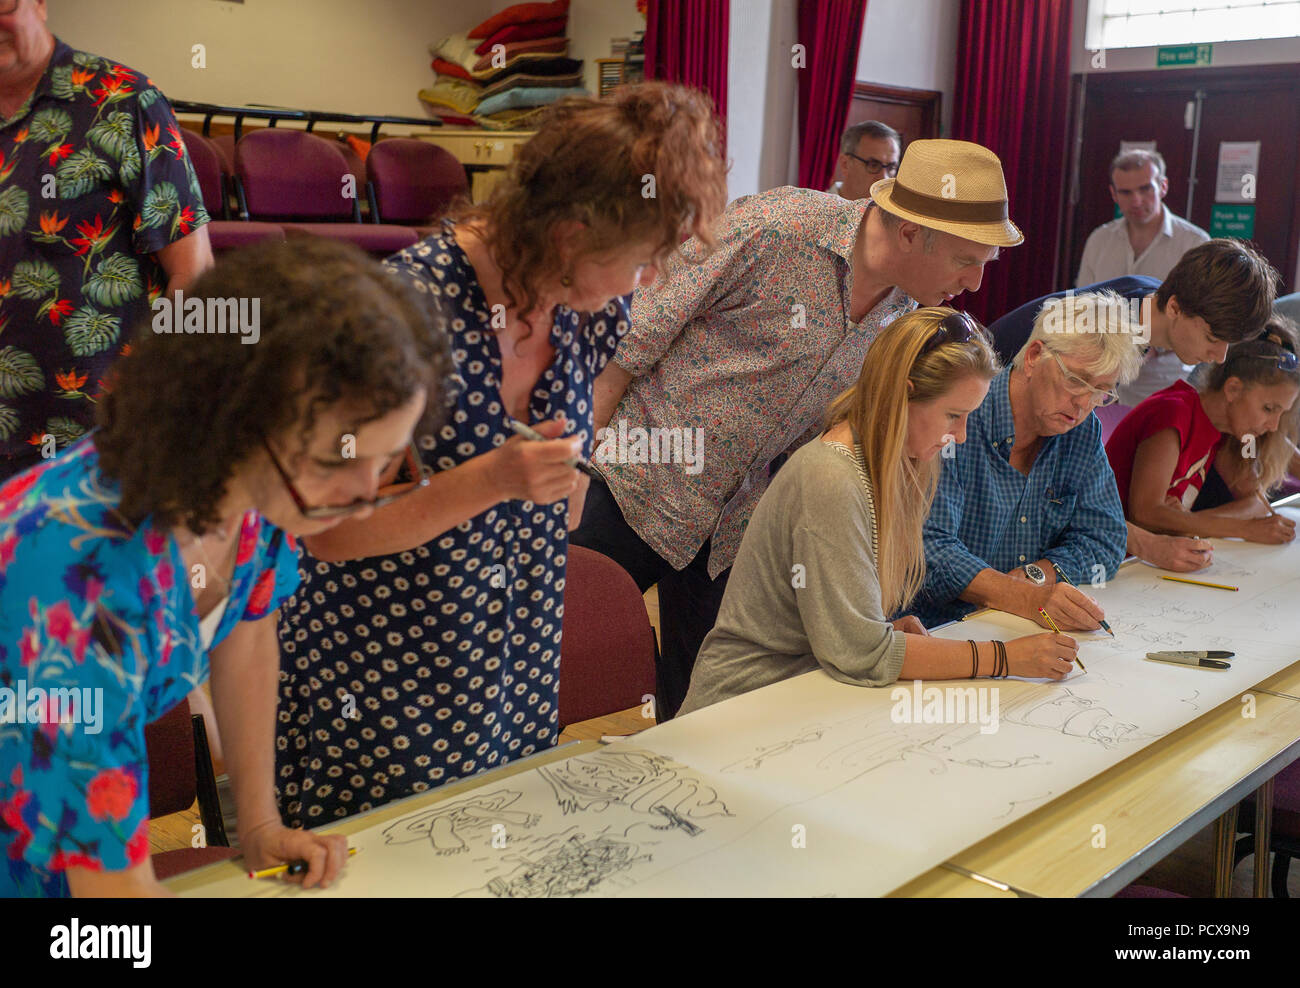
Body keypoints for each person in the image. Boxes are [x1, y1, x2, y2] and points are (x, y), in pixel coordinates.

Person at [274, 82, 729, 827]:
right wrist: (491, 481)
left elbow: (566, 457)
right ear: (572, 235)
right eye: (645, 260)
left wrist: (568, 484)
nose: (653, 282)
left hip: (513, 660)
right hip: (383, 670)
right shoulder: (403, 313)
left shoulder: (591, 310)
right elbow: (325, 531)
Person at [0, 237, 448, 896]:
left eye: (383, 463)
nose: (362, 498)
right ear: (233, 418)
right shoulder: (73, 580)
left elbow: (247, 630)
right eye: (336, 463)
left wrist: (260, 823)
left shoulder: (249, 490)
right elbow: (110, 906)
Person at [577, 138, 1022, 719]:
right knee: (555, 658)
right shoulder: (777, 229)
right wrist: (575, 461)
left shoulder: (906, 316)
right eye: (967, 261)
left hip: (735, 530)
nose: (974, 284)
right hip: (635, 485)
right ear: (912, 231)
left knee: (702, 718)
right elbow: (635, 335)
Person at [680, 308, 1079, 715]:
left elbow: (852, 639)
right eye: (953, 416)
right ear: (902, 395)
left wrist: (873, 630)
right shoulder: (830, 478)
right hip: (742, 708)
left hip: (808, 694)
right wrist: (1005, 658)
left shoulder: (887, 463)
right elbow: (862, 656)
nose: (959, 435)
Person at [0, 0, 213, 481]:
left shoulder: (123, 100)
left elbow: (194, 273)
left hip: (97, 440)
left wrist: (161, 400)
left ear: (38, 3)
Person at [913, 291, 1144, 631]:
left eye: (1101, 392)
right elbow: (927, 549)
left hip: (1019, 625)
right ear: (1035, 355)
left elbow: (1105, 538)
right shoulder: (963, 414)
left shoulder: (1080, 431)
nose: (1083, 404)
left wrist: (1037, 575)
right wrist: (1022, 597)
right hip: (933, 629)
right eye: (1076, 381)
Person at [992, 238, 1276, 407]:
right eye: (1213, 339)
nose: (1219, 356)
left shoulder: (1149, 297)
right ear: (1175, 307)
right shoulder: (1110, 331)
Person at [1107, 317, 1299, 555]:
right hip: (1113, 557)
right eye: (1269, 409)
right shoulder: (1173, 412)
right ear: (1233, 389)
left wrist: (1183, 521)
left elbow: (1256, 504)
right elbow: (1145, 513)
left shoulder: (1227, 433)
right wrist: (1241, 529)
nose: (1273, 425)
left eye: (1282, 413)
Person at [1075, 149, 1208, 289]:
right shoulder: (1098, 241)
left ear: (1163, 187)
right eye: (1126, 192)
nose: (1136, 202)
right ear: (1113, 194)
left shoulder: (1194, 243)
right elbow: (1082, 305)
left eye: (1145, 189)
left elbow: (1201, 308)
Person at [828, 120, 901, 201]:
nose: (884, 178)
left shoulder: (895, 213)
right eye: (873, 165)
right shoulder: (815, 211)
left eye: (891, 167)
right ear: (845, 164)